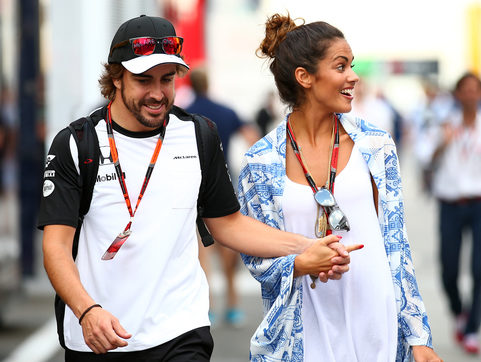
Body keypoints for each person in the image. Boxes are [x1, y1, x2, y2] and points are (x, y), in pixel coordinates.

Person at [37, 15, 360, 361]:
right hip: (97, 335)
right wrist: (87, 311)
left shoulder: (198, 134)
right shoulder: (77, 143)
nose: (158, 93)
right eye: (143, 80)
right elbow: (56, 247)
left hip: (180, 331)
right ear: (116, 78)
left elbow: (228, 224)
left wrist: (307, 247)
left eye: (167, 79)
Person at [237, 13, 442, 361]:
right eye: (341, 66)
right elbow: (256, 256)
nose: (354, 76)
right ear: (304, 77)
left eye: (351, 65)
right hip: (303, 329)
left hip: (377, 322)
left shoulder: (376, 146)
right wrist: (301, 262)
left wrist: (418, 335)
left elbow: (396, 244)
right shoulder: (260, 161)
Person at [419, 72, 481, 355]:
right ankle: (459, 311)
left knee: (480, 268)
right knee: (448, 269)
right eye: (464, 89)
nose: (470, 95)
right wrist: (444, 142)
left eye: (475, 90)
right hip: (450, 204)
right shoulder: (443, 125)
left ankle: (473, 329)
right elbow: (424, 158)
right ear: (456, 95)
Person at [185, 66, 260, 326]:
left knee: (200, 250)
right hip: (222, 181)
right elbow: (253, 138)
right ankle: (234, 303)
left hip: (193, 185)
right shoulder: (226, 111)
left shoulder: (186, 115)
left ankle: (209, 307)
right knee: (229, 246)